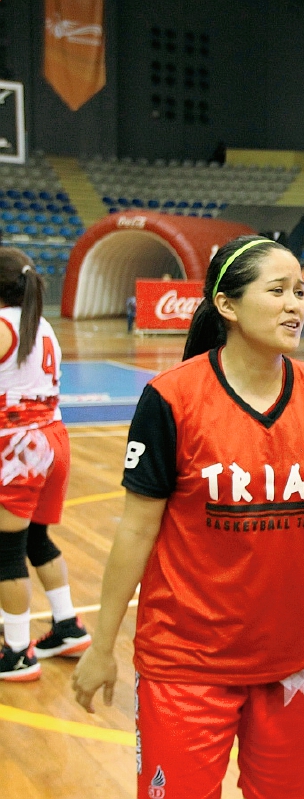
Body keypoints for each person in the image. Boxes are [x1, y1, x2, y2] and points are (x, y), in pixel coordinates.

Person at [71, 235, 304, 797]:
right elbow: (135, 531)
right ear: (227, 304)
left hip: (295, 659)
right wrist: (102, 647)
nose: (297, 304)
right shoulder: (171, 399)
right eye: (278, 291)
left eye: (300, 291)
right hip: (186, 665)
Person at [0, 249, 89, 681]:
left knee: (6, 552)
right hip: (52, 438)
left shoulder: (3, 327)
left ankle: (16, 652)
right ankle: (67, 625)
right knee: (36, 539)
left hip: (19, 446)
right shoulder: (43, 324)